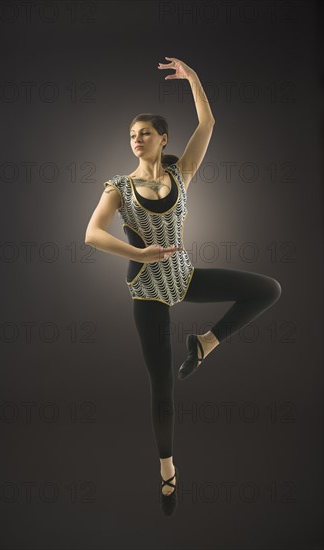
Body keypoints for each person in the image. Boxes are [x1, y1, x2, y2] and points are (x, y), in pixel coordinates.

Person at [85, 57, 282, 516]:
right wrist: (138, 254)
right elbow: (92, 233)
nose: (137, 140)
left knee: (267, 289)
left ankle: (206, 342)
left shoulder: (182, 172)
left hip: (186, 277)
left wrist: (193, 79)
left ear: (163, 138)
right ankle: (168, 472)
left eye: (145, 133)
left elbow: (208, 120)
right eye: (132, 135)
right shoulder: (119, 186)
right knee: (162, 386)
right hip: (148, 290)